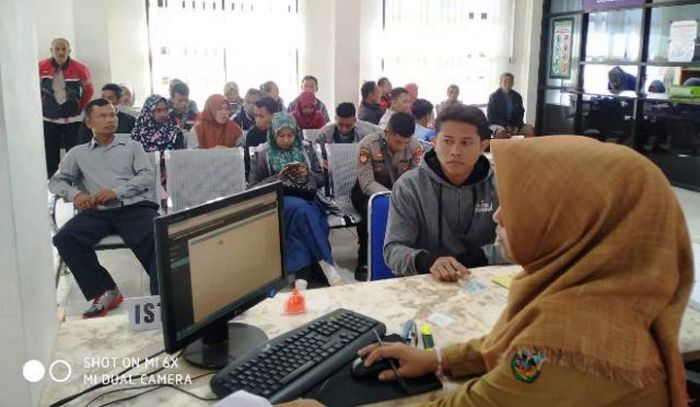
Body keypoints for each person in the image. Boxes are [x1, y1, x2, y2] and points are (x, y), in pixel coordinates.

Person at [359, 135, 692, 406]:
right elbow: (508, 340)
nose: (498, 216)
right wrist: (438, 358)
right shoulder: (597, 291)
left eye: (523, 205)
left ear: (571, 222)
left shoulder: (568, 344)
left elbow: (478, 402)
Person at [50, 99, 160, 318]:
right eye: (103, 116)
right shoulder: (78, 153)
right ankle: (104, 290)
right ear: (89, 122)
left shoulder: (132, 146)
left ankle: (161, 297)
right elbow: (55, 182)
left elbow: (147, 177)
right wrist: (77, 195)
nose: (110, 120)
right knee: (65, 238)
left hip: (134, 208)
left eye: (113, 115)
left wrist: (117, 191)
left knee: (158, 236)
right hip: (97, 213)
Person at [384, 105, 504, 282]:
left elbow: (518, 246)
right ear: (434, 142)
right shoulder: (410, 186)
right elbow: (393, 250)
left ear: (482, 146)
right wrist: (429, 261)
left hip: (480, 282)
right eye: (447, 141)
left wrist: (477, 257)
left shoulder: (500, 185)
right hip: (424, 282)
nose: (455, 151)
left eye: (466, 142)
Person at [249, 113, 343, 287]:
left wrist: (307, 174)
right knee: (303, 211)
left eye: (290, 135)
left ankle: (302, 276)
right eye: (281, 136)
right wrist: (278, 178)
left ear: (296, 135)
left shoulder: (306, 149)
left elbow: (322, 179)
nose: (286, 140)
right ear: (273, 135)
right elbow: (252, 188)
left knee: (308, 217)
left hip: (308, 196)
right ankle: (327, 266)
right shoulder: (263, 154)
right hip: (279, 200)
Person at [351, 112, 424, 281]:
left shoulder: (415, 147)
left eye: (406, 142)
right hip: (368, 191)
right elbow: (367, 182)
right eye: (398, 141)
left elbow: (415, 178)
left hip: (400, 190)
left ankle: (405, 258)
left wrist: (402, 197)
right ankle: (364, 260)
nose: (402, 146)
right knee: (370, 213)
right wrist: (392, 197)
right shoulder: (368, 145)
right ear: (386, 133)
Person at [40, 38, 95, 178]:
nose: (60, 52)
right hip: (49, 118)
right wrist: (42, 104)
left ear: (69, 51)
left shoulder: (80, 68)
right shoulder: (41, 66)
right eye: (57, 49)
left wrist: (80, 106)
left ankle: (75, 182)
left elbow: (89, 90)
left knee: (74, 152)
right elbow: (32, 88)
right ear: (51, 50)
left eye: (64, 49)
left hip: (73, 118)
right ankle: (52, 184)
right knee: (50, 154)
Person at [131, 94, 185, 188]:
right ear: (148, 111)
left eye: (165, 110)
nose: (163, 114)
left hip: (171, 180)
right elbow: (134, 161)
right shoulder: (137, 133)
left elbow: (180, 161)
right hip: (143, 180)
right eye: (158, 110)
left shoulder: (175, 132)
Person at [487, 72, 534, 138]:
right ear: (500, 82)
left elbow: (521, 113)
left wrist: (516, 126)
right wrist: (506, 126)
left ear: (513, 83)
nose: (508, 84)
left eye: (510, 82)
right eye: (505, 81)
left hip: (514, 125)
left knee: (529, 129)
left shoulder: (517, 96)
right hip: (498, 124)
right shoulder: (494, 96)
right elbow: (492, 116)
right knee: (501, 133)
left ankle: (525, 147)